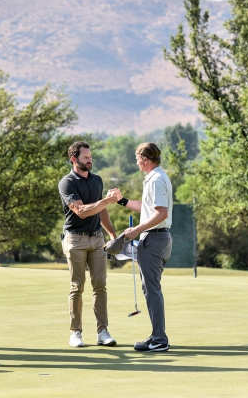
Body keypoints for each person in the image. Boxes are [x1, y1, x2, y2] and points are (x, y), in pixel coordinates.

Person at [58, 141, 121, 348]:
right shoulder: (67, 183)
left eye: (90, 156)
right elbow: (82, 211)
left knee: (100, 286)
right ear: (73, 159)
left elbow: (101, 210)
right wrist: (107, 200)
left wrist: (112, 234)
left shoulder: (97, 180)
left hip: (97, 239)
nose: (89, 160)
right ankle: (75, 333)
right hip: (75, 239)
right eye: (85, 157)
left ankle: (103, 332)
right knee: (77, 286)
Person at [119, 142, 173, 352]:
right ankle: (157, 336)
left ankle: (159, 339)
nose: (136, 163)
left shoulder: (156, 180)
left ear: (145, 159)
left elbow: (161, 213)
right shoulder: (156, 177)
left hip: (154, 239)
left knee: (152, 290)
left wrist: (137, 230)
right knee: (151, 289)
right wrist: (121, 200)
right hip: (157, 237)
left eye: (137, 159)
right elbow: (147, 208)